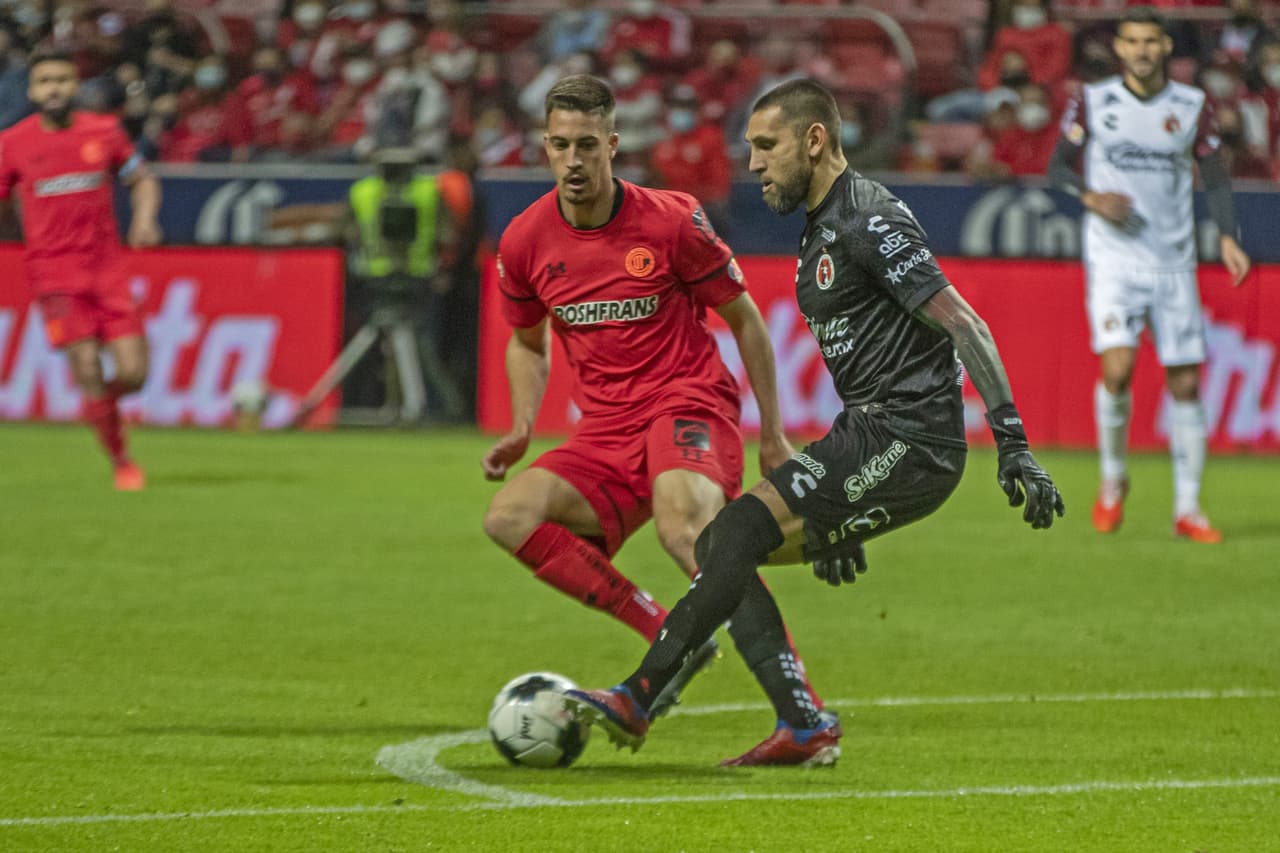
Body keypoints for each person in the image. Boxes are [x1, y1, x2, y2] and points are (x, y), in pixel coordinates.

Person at [563, 78, 1065, 766]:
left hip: (911, 439)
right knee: (722, 549)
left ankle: (638, 695)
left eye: (766, 145)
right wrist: (835, 497)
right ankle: (800, 721)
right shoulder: (821, 230)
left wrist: (1013, 443)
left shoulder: (869, 220)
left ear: (815, 139)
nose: (754, 163)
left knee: (732, 533)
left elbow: (963, 321)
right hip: (867, 435)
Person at [483, 74, 835, 758]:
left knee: (690, 533)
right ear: (544, 147)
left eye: (588, 144)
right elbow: (527, 340)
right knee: (509, 515)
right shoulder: (526, 239)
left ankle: (803, 717)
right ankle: (666, 630)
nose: (574, 160)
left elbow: (746, 321)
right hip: (606, 429)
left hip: (686, 400)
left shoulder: (671, 220)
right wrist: (524, 423)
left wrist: (775, 433)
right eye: (560, 145)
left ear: (613, 145)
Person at [1046, 6, 1252, 543]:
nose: (1140, 50)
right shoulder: (1095, 101)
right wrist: (1093, 197)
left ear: (1165, 49)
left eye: (1150, 42)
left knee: (1184, 382)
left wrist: (1229, 236)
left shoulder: (1191, 106)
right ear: (1119, 48)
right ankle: (1113, 481)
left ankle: (1189, 508)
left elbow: (1215, 174)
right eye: (1131, 41)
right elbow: (1056, 169)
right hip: (1114, 259)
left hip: (1173, 261)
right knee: (1117, 369)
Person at [0, 48, 162, 489]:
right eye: (45, 81)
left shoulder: (104, 132)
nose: (54, 88)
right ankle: (122, 461)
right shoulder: (13, 143)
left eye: (62, 80)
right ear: (32, 91)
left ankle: (101, 408)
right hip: (54, 276)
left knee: (135, 373)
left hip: (108, 271)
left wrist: (145, 219)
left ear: (76, 86)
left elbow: (141, 177)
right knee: (87, 366)